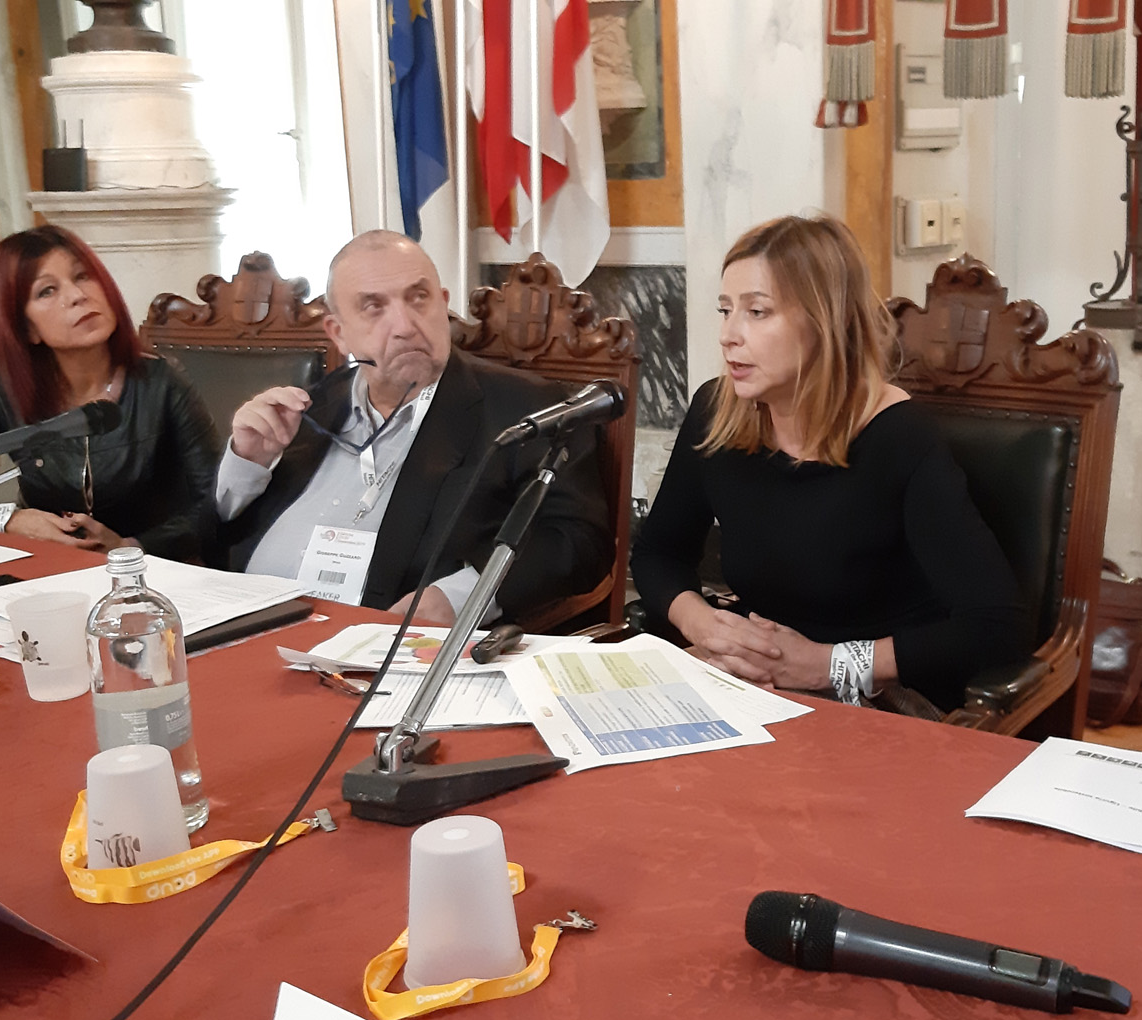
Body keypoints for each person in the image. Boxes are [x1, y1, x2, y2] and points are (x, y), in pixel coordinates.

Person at [630, 214, 1028, 712]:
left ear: (825, 322)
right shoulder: (716, 411)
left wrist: (827, 664)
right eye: (725, 310)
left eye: (757, 312)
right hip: (755, 682)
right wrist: (702, 624)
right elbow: (657, 554)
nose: (729, 335)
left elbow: (996, 625)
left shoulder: (899, 437)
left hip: (879, 698)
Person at [210, 230, 611, 626]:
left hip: (372, 643)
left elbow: (577, 540)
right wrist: (247, 464)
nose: (404, 325)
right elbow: (206, 536)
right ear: (338, 333)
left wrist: (462, 597)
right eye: (374, 306)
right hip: (241, 621)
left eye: (418, 298)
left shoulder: (526, 409)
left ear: (443, 304)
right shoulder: (306, 411)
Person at [0, 226, 219, 560]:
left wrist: (129, 547)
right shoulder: (4, 387)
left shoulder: (161, 382)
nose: (77, 295)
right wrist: (7, 520)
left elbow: (218, 504)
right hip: (46, 570)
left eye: (83, 276)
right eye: (47, 291)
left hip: (150, 573)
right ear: (26, 328)